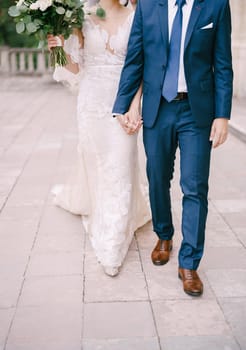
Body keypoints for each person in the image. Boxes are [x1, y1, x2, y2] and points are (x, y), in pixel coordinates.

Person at [113, 0, 233, 296]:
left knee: (194, 186)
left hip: (197, 111)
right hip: (158, 108)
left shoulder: (216, 6)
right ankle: (164, 235)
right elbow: (135, 58)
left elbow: (223, 65)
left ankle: (189, 263)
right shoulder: (148, 7)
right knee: (157, 177)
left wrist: (222, 116)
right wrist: (122, 106)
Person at [47, 0, 150, 277]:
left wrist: (133, 105)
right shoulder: (80, 18)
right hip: (90, 103)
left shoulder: (136, 15)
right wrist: (57, 50)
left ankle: (112, 243)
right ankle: (101, 212)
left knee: (120, 165)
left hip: (123, 102)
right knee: (98, 167)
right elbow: (76, 68)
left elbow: (142, 66)